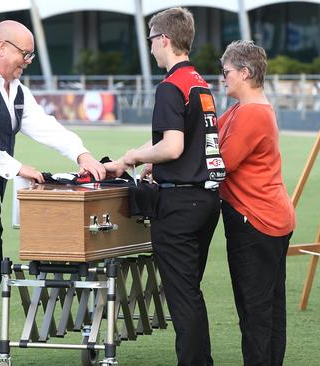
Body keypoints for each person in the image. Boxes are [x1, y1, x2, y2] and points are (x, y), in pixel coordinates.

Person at [0, 20, 110, 366]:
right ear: (2, 48)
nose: (27, 60)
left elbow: (45, 126)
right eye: (24, 53)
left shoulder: (17, 91)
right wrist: (17, 167)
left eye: (31, 55)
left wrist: (81, 153)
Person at [106, 7, 225, 366]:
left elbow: (171, 146)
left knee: (183, 296)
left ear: (164, 40)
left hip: (179, 205)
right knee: (190, 291)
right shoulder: (200, 83)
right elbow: (183, 142)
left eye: (151, 40)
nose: (152, 48)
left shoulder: (171, 86)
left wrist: (133, 158)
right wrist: (141, 156)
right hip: (206, 200)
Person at [217, 40, 295, 366]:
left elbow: (220, 163)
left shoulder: (251, 113)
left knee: (256, 313)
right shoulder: (243, 109)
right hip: (269, 218)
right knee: (268, 309)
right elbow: (203, 139)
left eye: (227, 73)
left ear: (245, 73)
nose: (223, 79)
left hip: (256, 222)